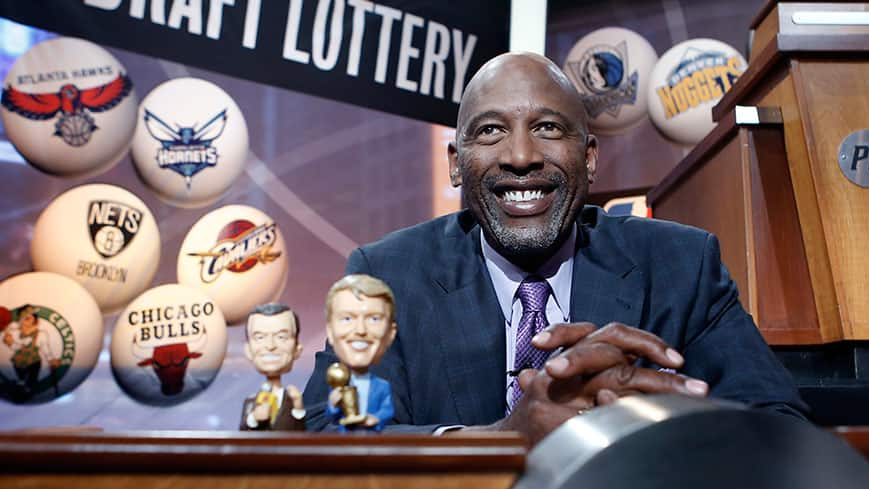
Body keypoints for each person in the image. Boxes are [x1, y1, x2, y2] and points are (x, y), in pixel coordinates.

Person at [303, 52, 808, 446]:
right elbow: (329, 433)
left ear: (589, 157)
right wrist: (497, 441)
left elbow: (780, 427)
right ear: (457, 163)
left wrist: (651, 426)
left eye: (547, 128)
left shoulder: (683, 265)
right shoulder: (388, 275)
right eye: (491, 131)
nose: (521, 156)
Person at [306, 274, 396, 433]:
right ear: (330, 331)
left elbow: (386, 411)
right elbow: (324, 420)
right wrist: (333, 405)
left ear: (391, 333)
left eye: (374, 319)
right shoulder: (336, 387)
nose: (360, 330)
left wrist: (375, 419)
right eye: (347, 319)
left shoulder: (382, 387)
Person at [240, 302, 305, 431]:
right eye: (260, 337)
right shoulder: (251, 402)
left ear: (297, 349)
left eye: (281, 337)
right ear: (248, 350)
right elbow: (243, 432)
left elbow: (301, 433)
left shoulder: (294, 400)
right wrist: (254, 418)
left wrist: (298, 409)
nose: (270, 346)